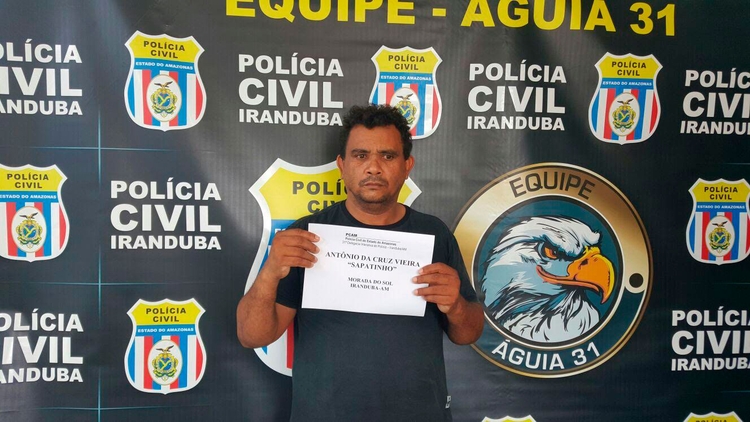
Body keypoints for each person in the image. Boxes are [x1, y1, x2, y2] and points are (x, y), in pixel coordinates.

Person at [237, 104, 484, 422]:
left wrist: (456, 307)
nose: (373, 168)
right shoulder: (307, 235)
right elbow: (252, 336)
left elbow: (468, 333)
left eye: (388, 156)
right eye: (360, 155)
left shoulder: (434, 234)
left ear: (407, 166)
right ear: (342, 165)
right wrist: (271, 272)